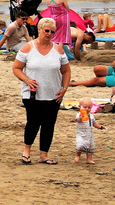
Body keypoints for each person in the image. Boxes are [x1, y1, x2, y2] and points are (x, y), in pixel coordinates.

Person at [11, 17, 71, 165]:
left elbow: (66, 71)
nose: (49, 34)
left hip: (54, 94)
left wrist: (64, 88)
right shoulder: (28, 48)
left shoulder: (58, 49)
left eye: (52, 32)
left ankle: (44, 154)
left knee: (49, 124)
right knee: (33, 122)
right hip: (32, 93)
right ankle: (26, 152)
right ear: (39, 30)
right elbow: (16, 68)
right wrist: (27, 80)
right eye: (46, 31)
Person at [72, 98, 105, 165]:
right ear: (80, 107)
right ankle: (78, 156)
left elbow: (94, 123)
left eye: (89, 107)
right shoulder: (79, 115)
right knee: (79, 146)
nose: (87, 109)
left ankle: (89, 159)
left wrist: (100, 127)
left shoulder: (91, 116)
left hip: (89, 135)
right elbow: (78, 120)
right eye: (85, 107)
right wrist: (81, 118)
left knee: (90, 148)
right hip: (81, 134)